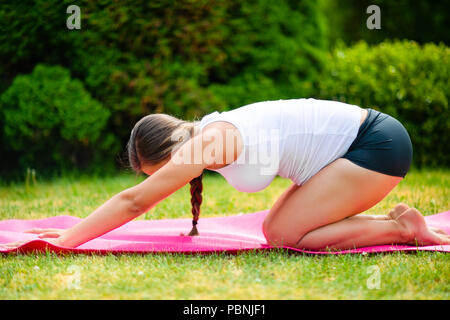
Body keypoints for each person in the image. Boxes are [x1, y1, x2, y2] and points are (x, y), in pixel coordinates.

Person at [3, 98, 449, 251]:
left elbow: (134, 201)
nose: (172, 181)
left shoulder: (213, 141)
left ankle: (400, 229)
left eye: (165, 172)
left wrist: (65, 243)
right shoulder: (212, 132)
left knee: (289, 236)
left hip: (376, 145)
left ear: (175, 148)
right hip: (357, 147)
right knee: (279, 230)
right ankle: (397, 224)